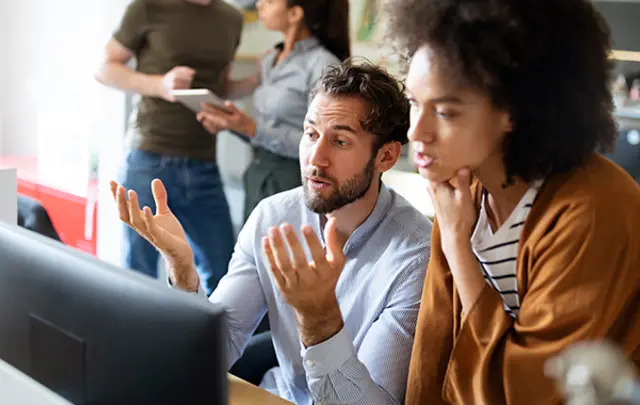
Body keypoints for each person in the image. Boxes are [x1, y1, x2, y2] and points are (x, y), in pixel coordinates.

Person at [111, 61, 432, 405]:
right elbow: (216, 348)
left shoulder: (416, 256)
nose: (315, 158)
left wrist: (319, 318)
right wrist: (183, 271)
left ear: (385, 156)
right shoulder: (273, 216)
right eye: (310, 134)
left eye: (340, 141)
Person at [381, 0, 640, 403]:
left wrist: (457, 248)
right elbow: (434, 354)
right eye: (414, 103)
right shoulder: (461, 190)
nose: (417, 131)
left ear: (514, 111)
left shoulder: (592, 210)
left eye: (446, 113)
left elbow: (531, 390)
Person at [95, 0, 244, 295]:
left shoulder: (232, 18)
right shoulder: (148, 6)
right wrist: (161, 84)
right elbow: (104, 69)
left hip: (204, 163)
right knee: (139, 277)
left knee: (226, 276)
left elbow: (221, 88)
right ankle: (141, 342)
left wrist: (260, 79)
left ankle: (215, 343)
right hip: (148, 159)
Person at [196, 0, 351, 222]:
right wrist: (232, 126)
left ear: (295, 13)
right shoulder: (270, 60)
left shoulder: (323, 66)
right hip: (257, 175)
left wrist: (252, 128)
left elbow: (321, 143)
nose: (259, 5)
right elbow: (264, 131)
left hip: (293, 183)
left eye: (269, 1)